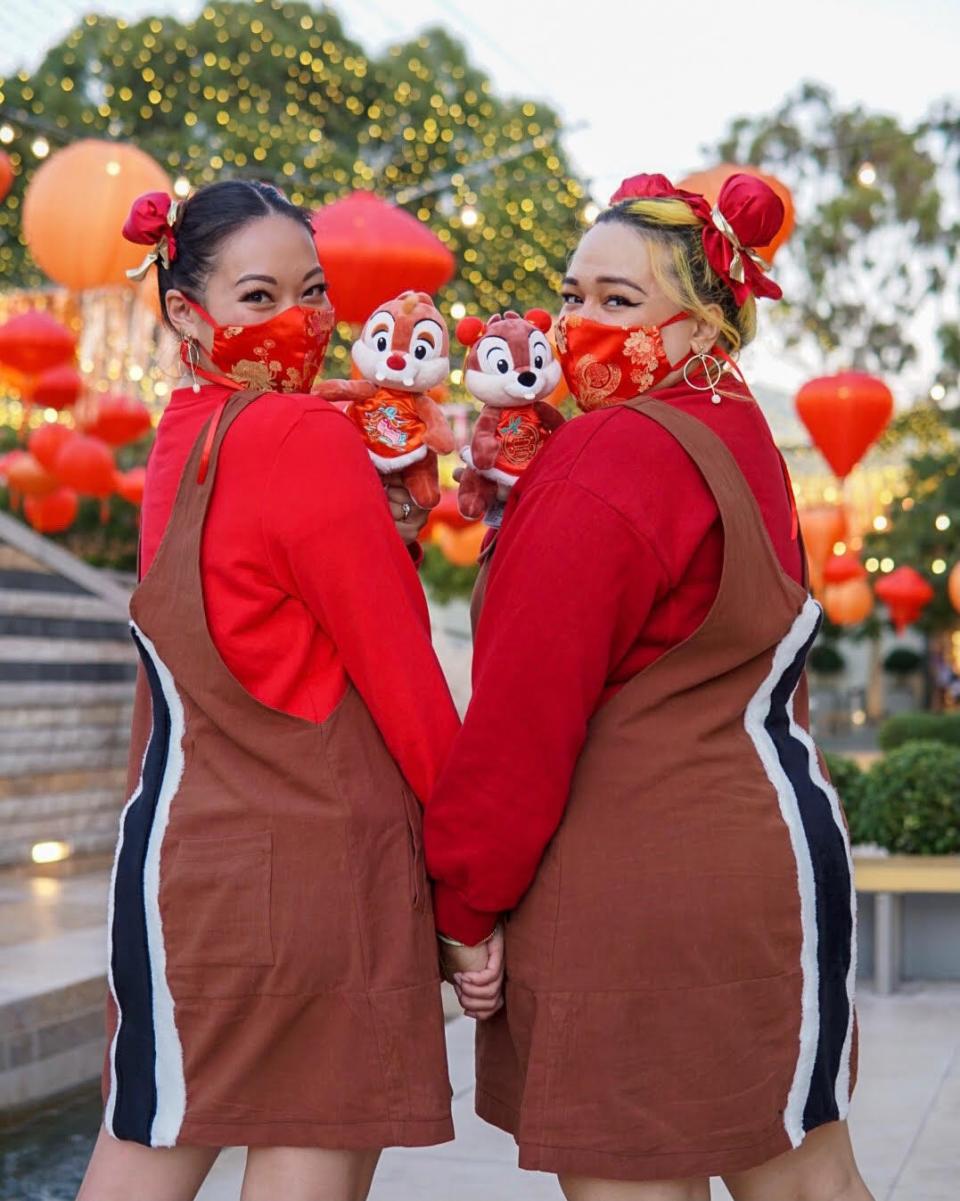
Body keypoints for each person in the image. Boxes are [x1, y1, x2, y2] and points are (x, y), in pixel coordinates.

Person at [425, 172, 872, 1201]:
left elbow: (524, 717)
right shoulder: (741, 436)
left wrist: (463, 905)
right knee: (806, 1175)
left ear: (704, 323)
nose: (578, 322)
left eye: (618, 301)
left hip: (636, 888)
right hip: (769, 863)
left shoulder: (615, 448)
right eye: (573, 293)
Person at [78, 179, 460, 1201]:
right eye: (260, 295)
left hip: (186, 872)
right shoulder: (304, 439)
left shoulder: (179, 441)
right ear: (183, 313)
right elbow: (408, 687)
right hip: (324, 879)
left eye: (313, 289)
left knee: (142, 1153)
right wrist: (475, 888)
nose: (299, 320)